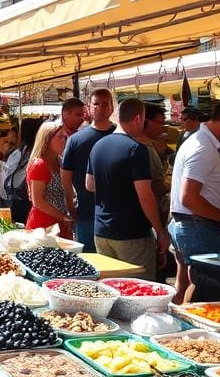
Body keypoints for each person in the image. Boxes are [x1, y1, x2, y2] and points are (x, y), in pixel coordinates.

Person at [168, 96, 220, 304]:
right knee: (203, 290)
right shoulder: (203, 147)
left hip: (190, 225)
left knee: (188, 286)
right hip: (196, 226)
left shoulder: (201, 141)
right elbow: (189, 198)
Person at [86, 98, 170, 277]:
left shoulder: (98, 146)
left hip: (102, 230)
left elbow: (89, 184)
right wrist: (160, 231)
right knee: (139, 293)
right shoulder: (136, 149)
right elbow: (145, 195)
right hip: (132, 232)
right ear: (138, 118)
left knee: (110, 287)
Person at [61, 89, 116, 248]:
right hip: (86, 214)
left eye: (105, 104)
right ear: (89, 107)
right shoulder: (75, 140)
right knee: (89, 263)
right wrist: (71, 208)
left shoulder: (121, 136)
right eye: (96, 104)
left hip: (117, 215)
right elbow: (66, 179)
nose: (100, 107)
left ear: (111, 107)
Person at [25, 122, 74, 238]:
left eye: (65, 137)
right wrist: (62, 216)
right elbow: (37, 201)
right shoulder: (39, 164)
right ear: (47, 140)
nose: (64, 140)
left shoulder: (59, 161)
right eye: (59, 137)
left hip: (59, 225)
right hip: (43, 227)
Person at [0, 118, 42, 226]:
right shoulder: (36, 153)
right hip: (28, 201)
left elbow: (8, 176)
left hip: (19, 200)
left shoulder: (20, 153)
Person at [134, 102, 171, 218]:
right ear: (144, 121)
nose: (163, 128)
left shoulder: (149, 146)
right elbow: (156, 186)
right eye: (159, 123)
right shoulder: (143, 149)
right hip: (150, 215)